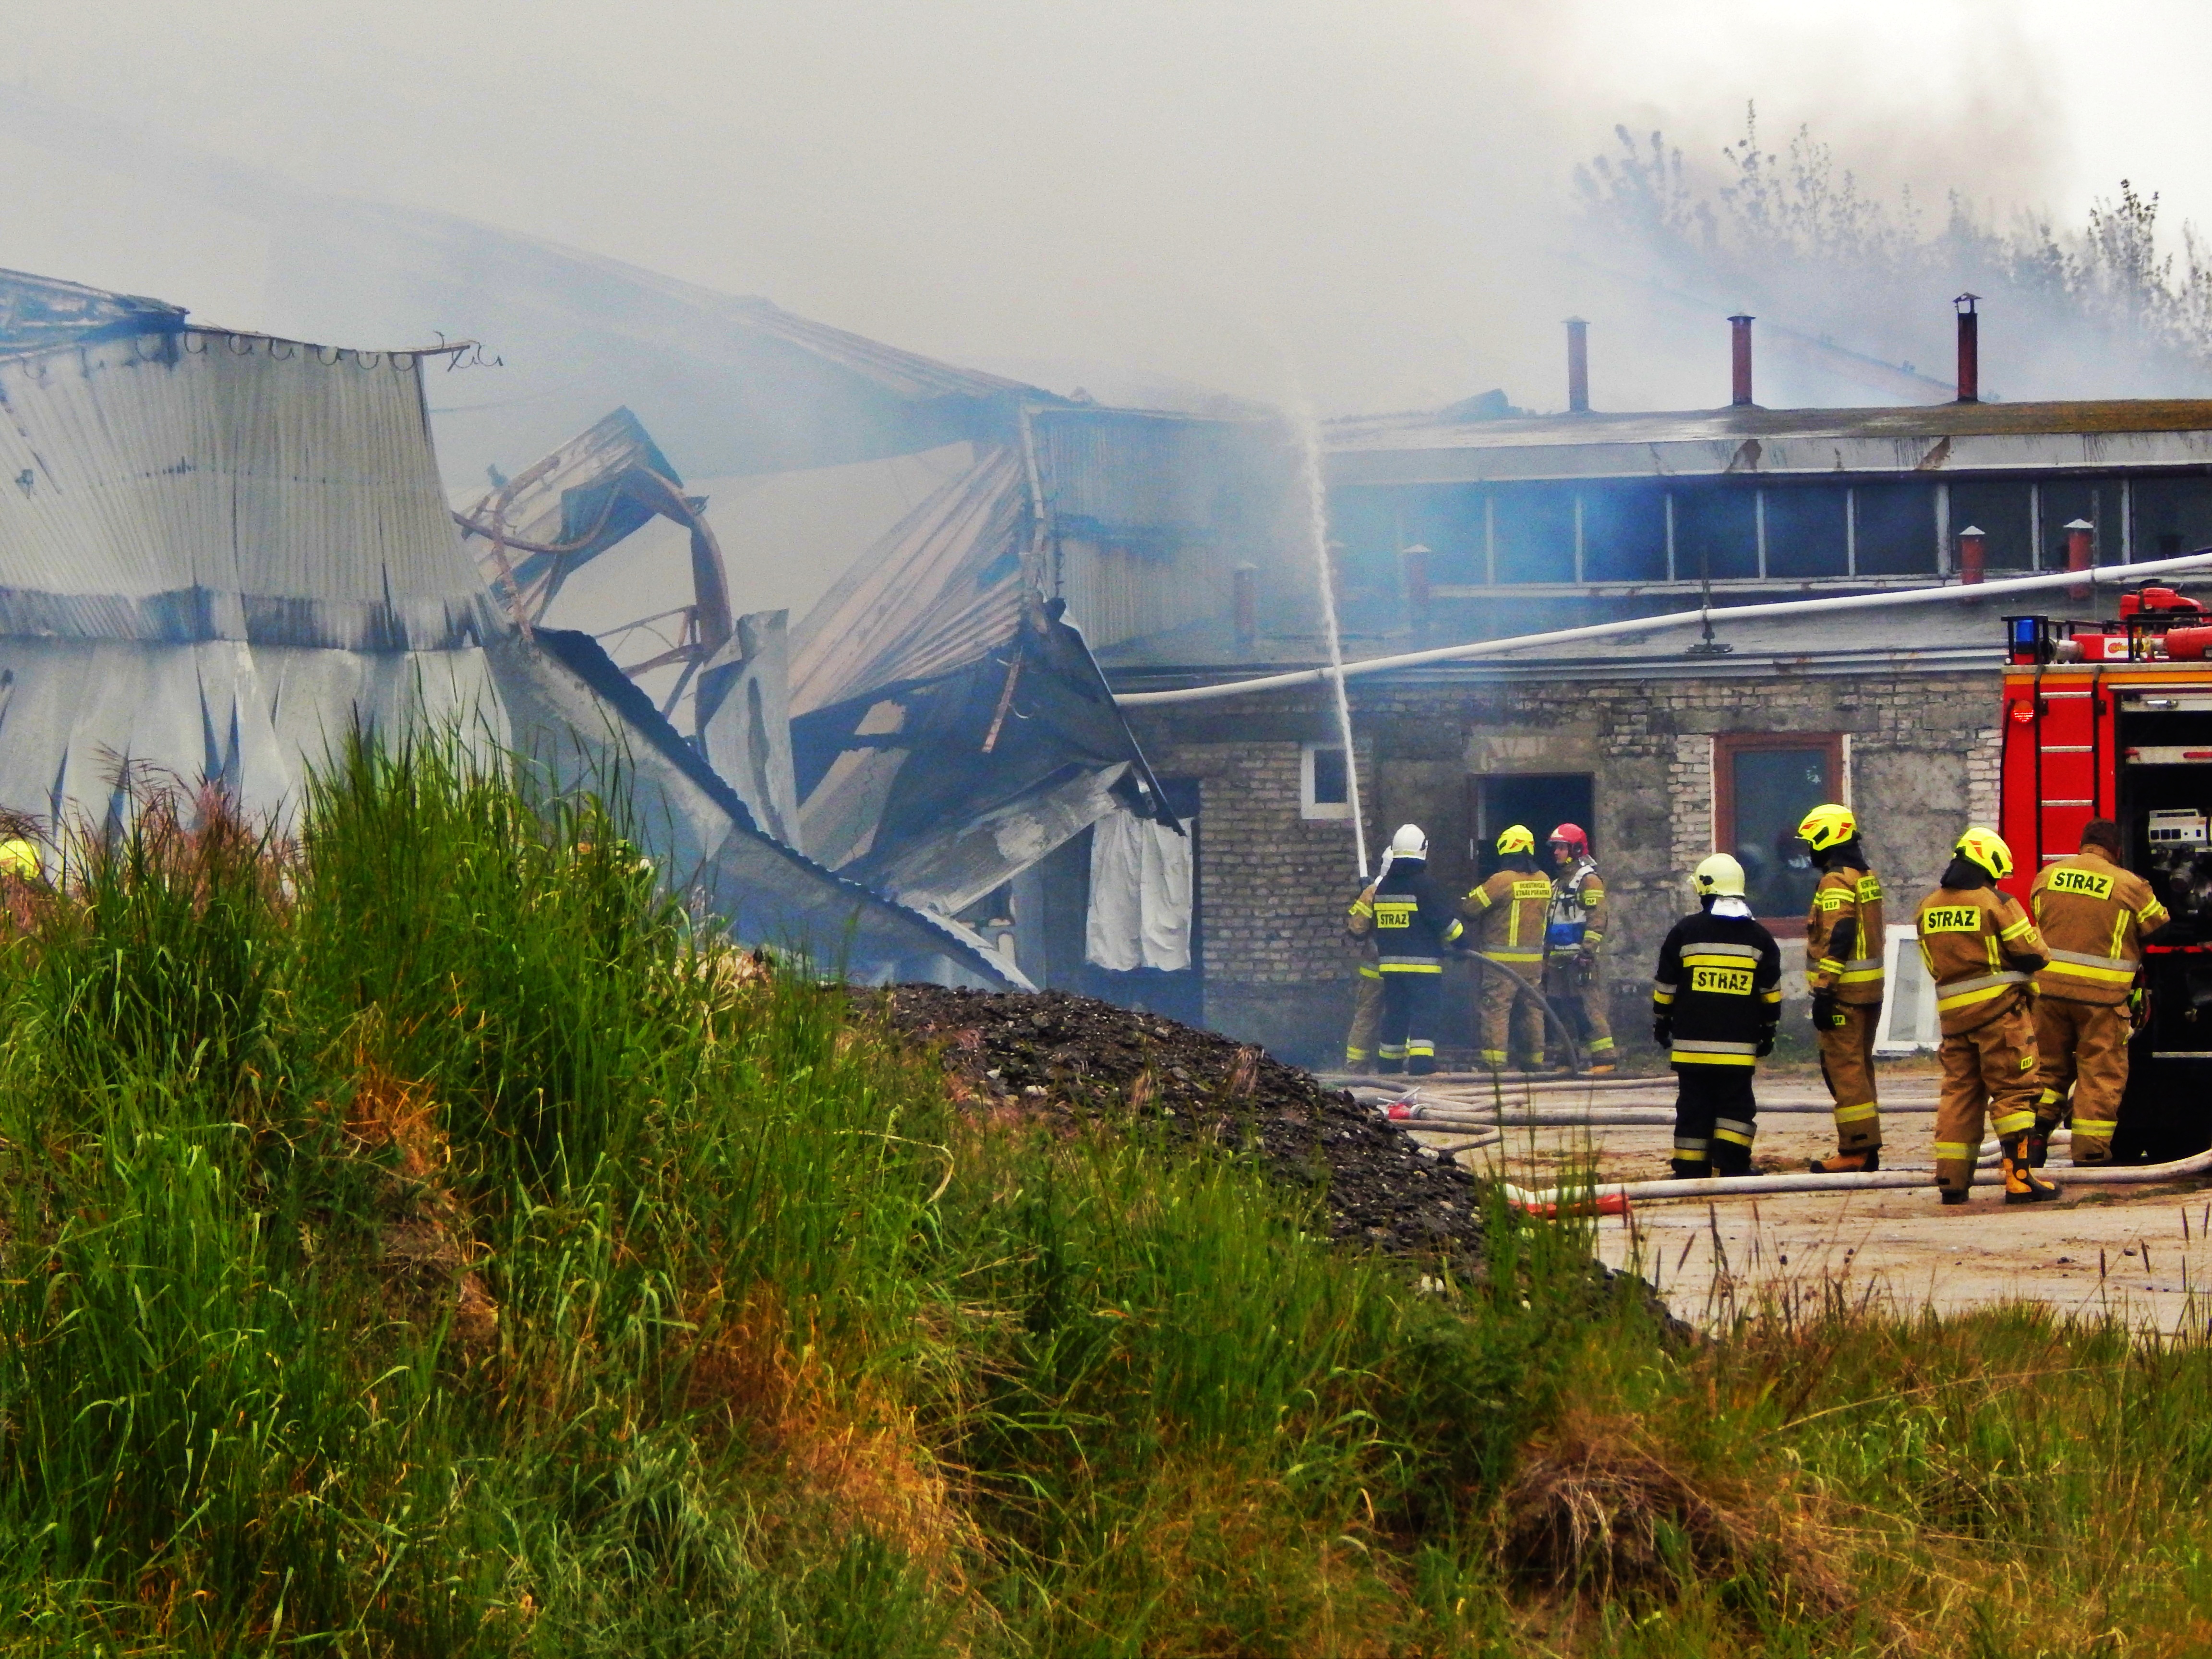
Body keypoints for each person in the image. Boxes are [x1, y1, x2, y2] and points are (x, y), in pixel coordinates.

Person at [1913, 827, 2057, 1205]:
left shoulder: (1928, 906)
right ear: (1989, 863)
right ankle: (2020, 1180)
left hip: (1955, 1020)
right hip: (2000, 1017)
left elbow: (1932, 963)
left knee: (1959, 1095)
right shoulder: (1996, 902)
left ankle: (1952, 1181)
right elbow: (2034, 955)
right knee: (2015, 1092)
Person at [2026, 818, 2168, 1166]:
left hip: (2048, 995)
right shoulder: (2130, 884)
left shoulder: (2047, 876)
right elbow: (2160, 927)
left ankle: (2034, 1140)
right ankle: (2090, 1153)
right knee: (2099, 1074)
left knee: (2047, 1070)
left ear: (2083, 845)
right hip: (2102, 1000)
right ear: (2117, 850)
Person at [1651, 854, 1783, 1178]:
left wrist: (1662, 1021)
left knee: (1693, 1107)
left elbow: (1666, 984)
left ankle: (1690, 1168)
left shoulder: (1685, 932)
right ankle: (1734, 1165)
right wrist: (1768, 1030)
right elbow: (1770, 993)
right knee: (1736, 1107)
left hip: (1692, 1049)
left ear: (1705, 889)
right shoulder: (1760, 938)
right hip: (1738, 1050)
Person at [1796, 803, 1887, 1173]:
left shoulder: (1836, 881)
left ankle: (1856, 1150)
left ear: (1827, 839)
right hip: (1869, 992)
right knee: (1860, 1070)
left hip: (1844, 994)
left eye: (1812, 842)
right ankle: (1866, 1146)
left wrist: (1825, 989)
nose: (1810, 851)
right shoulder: (1865, 876)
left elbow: (1840, 934)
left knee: (1845, 1072)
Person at [1370, 824, 1464, 1076]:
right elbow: (1443, 922)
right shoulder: (1424, 885)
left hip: (1391, 967)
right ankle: (1421, 1065)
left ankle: (1388, 1065)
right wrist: (1461, 942)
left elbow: (1376, 926)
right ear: (1423, 850)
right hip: (1423, 967)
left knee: (1395, 1015)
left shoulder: (1383, 887)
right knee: (1424, 1014)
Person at [1461, 824, 1552, 1073]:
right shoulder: (1544, 880)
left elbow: (1470, 909)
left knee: (1496, 1009)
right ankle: (1534, 1061)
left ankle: (1494, 1064)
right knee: (1532, 1010)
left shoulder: (1502, 880)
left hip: (1501, 963)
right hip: (1533, 962)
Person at [1544, 822, 1617, 1075]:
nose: (1556, 852)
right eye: (1555, 848)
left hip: (1579, 958)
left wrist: (1588, 951)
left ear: (1575, 849)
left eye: (1561, 847)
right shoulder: (1558, 883)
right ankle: (1568, 1059)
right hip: (1558, 959)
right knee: (1561, 1009)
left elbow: (1598, 918)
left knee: (1588, 1007)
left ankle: (1605, 1058)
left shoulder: (1589, 880)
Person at [1342, 862, 1387, 1070]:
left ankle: (1356, 1067)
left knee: (1366, 1016)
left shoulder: (1372, 893)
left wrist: (1364, 897)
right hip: (1403, 970)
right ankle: (1399, 1066)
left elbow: (1356, 931)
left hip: (1374, 970)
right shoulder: (1415, 890)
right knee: (1402, 1014)